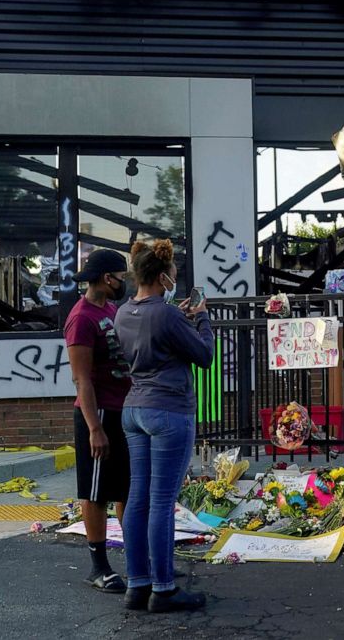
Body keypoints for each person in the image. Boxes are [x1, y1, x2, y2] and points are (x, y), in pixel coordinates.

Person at [114, 240, 213, 613]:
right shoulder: (167, 314)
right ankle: (165, 589)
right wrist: (202, 317)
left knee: (137, 498)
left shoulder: (124, 312)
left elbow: (155, 337)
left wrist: (181, 318)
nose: (175, 279)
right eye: (172, 273)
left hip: (134, 408)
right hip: (169, 410)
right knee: (161, 501)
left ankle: (137, 584)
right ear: (161, 276)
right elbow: (203, 355)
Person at [65, 249, 133, 593]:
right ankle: (99, 566)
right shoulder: (81, 318)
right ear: (108, 278)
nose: (125, 282)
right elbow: (82, 379)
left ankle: (137, 560)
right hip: (98, 413)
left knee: (126, 489)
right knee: (96, 494)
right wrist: (94, 428)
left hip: (121, 411)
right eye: (122, 275)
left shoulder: (110, 309)